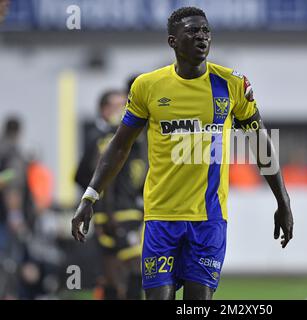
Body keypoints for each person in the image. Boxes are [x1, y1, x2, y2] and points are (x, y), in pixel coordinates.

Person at [72, 6, 293, 300]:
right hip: (161, 219)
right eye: (192, 31)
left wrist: (283, 200)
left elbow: (259, 141)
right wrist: (90, 196)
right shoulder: (147, 87)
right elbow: (119, 145)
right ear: (172, 41)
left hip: (208, 220)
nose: (201, 37)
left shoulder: (232, 84)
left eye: (205, 31)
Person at [75, 90, 146, 299]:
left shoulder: (134, 138)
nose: (125, 109)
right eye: (119, 105)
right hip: (117, 215)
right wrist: (102, 203)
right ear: (105, 110)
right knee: (129, 271)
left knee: (123, 272)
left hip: (129, 211)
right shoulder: (106, 140)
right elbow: (89, 176)